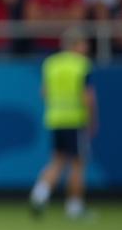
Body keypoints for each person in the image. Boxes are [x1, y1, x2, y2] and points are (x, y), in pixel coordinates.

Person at [29, 29, 97, 220]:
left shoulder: (51, 63)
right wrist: (92, 120)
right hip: (75, 119)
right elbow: (88, 97)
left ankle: (39, 195)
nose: (87, 48)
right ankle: (74, 207)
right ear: (76, 45)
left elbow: (44, 92)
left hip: (55, 119)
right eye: (84, 44)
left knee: (57, 161)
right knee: (78, 164)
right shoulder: (81, 65)